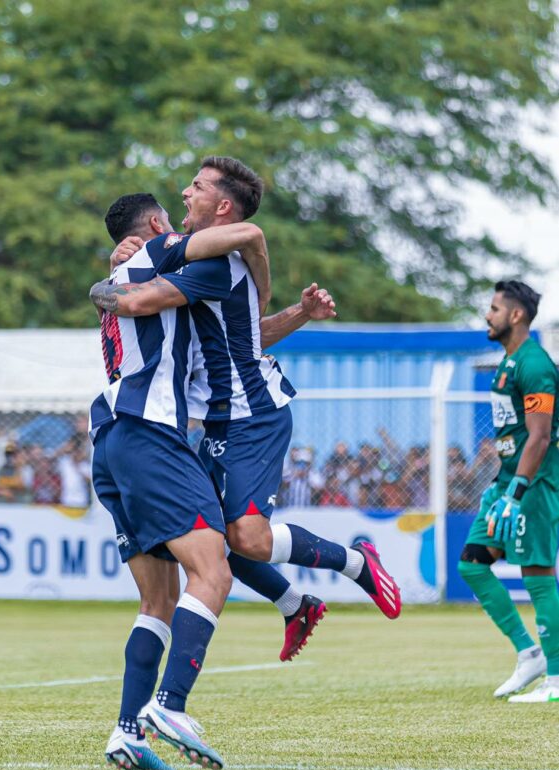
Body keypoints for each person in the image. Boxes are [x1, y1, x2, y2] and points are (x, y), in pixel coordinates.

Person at [107, 158, 402, 633]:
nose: (185, 192)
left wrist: (109, 281)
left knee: (248, 538)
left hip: (252, 414)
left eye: (196, 186)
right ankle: (293, 605)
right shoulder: (204, 261)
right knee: (209, 536)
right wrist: (300, 313)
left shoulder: (216, 262)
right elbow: (246, 337)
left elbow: (140, 300)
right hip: (220, 419)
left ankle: (355, 563)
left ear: (222, 206)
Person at [89, 197, 275, 770]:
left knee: (159, 600)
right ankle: (170, 705)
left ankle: (126, 732)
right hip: (151, 438)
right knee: (213, 569)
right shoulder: (159, 250)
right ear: (155, 224)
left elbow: (246, 335)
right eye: (174, 211)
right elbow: (246, 232)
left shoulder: (122, 270)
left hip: (111, 441)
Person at [457, 280, 559, 702]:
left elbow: (538, 437)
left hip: (533, 485)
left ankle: (555, 679)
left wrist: (516, 491)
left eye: (495, 308)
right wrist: (500, 486)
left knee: (536, 572)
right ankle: (528, 652)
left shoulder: (535, 365)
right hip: (506, 483)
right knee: (473, 564)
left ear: (516, 316)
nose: (488, 314)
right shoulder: (506, 363)